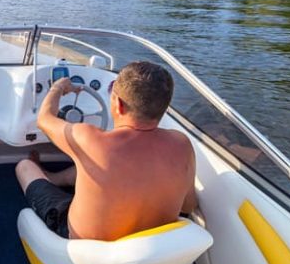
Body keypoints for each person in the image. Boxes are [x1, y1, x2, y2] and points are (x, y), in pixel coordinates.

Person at [15, 61, 196, 240]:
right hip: (152, 248)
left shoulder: (89, 139)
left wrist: (57, 88)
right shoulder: (183, 144)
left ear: (118, 104)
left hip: (84, 245)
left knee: (25, 166)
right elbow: (188, 206)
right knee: (92, 166)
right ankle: (53, 178)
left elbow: (44, 119)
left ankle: (44, 177)